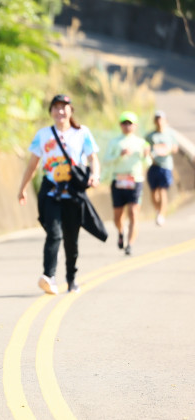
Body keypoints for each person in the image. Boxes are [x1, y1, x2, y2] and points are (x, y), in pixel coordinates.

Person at [18, 94, 101, 294]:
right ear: (51, 111)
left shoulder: (82, 133)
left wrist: (95, 175)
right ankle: (49, 277)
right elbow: (33, 164)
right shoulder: (43, 134)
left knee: (71, 239)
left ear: (71, 111)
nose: (60, 111)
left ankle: (71, 278)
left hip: (73, 192)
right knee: (53, 234)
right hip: (51, 191)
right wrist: (22, 188)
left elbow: (93, 158)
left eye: (64, 107)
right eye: (56, 107)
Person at [103, 111, 151, 255]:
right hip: (118, 180)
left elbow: (148, 162)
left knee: (133, 213)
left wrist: (146, 155)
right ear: (120, 125)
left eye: (130, 123)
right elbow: (106, 160)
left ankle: (130, 244)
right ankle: (121, 231)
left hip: (135, 180)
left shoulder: (141, 143)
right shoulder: (115, 142)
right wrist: (119, 155)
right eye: (124, 123)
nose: (127, 126)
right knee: (117, 216)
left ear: (135, 126)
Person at [145, 110, 179, 226]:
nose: (159, 121)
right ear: (155, 121)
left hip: (166, 166)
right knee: (154, 192)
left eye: (161, 119)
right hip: (153, 166)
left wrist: (166, 150)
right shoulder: (150, 136)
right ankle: (157, 210)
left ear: (165, 120)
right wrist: (149, 153)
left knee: (163, 190)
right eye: (157, 119)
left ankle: (161, 215)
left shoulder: (170, 134)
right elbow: (145, 147)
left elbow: (175, 148)